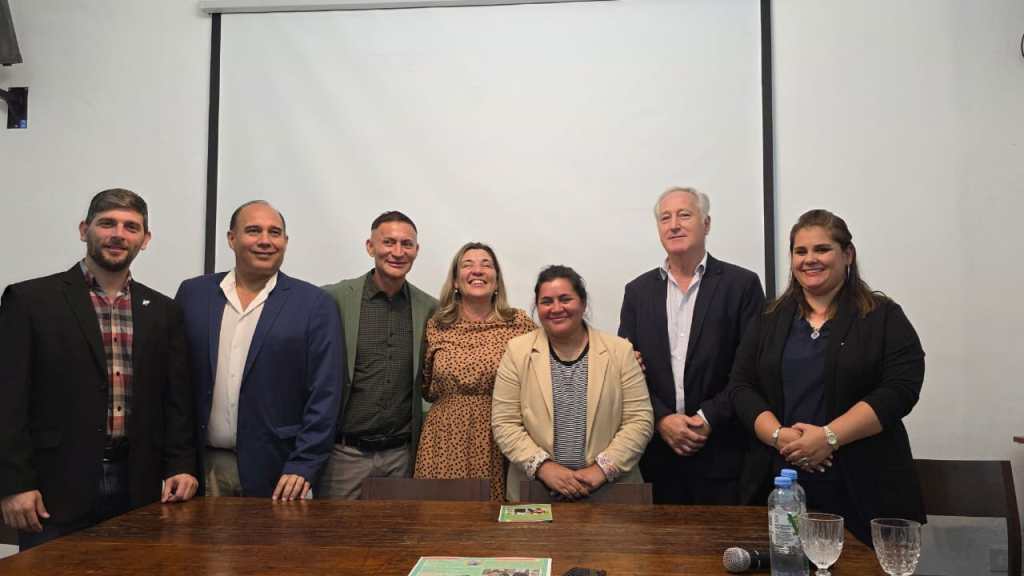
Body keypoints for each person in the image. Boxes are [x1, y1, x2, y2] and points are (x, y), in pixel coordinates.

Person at [0, 189, 197, 550]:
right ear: (84, 230)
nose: (119, 234)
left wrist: (181, 465)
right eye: (107, 224)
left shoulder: (164, 311)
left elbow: (176, 401)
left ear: (145, 239)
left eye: (131, 227)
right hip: (53, 489)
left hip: (137, 486)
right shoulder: (29, 301)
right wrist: (14, 484)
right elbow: (8, 400)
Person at [729, 209, 926, 543]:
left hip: (866, 487)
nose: (810, 259)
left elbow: (900, 389)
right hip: (783, 484)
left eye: (822, 249)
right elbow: (741, 387)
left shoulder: (883, 316)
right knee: (785, 564)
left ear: (847, 254)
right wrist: (778, 436)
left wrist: (829, 437)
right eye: (800, 251)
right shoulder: (768, 318)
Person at [176, 200, 342, 500]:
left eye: (274, 233)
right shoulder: (194, 294)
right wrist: (177, 461)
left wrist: (304, 464)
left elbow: (325, 393)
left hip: (281, 474)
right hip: (202, 471)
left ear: (285, 241)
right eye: (253, 231)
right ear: (231, 238)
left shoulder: (314, 304)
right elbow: (175, 384)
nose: (265, 241)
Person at [619, 186, 764, 505]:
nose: (674, 225)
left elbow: (752, 367)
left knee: (722, 538)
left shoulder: (742, 285)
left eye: (684, 215)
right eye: (665, 218)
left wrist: (707, 417)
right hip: (657, 457)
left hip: (724, 453)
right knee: (659, 539)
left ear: (706, 224)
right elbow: (627, 370)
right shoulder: (638, 292)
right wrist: (661, 419)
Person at [492, 265, 654, 502]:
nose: (556, 308)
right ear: (537, 307)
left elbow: (639, 420)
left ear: (583, 303)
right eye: (547, 301)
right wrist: (544, 468)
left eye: (565, 299)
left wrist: (600, 470)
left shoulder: (620, 351)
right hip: (535, 491)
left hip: (610, 491)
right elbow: (505, 422)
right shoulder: (517, 352)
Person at [320, 211, 439, 499]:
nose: (398, 252)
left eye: (406, 244)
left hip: (401, 458)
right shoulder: (333, 299)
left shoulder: (429, 308)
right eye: (388, 242)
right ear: (370, 247)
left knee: (396, 529)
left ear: (417, 250)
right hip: (344, 456)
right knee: (335, 528)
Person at [414, 242, 535, 501]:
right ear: (455, 280)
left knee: (494, 515)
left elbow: (545, 369)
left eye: (486, 265)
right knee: (440, 514)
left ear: (497, 280)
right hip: (443, 436)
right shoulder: (437, 325)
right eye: (467, 265)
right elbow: (425, 384)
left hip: (499, 434)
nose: (477, 271)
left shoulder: (518, 323)